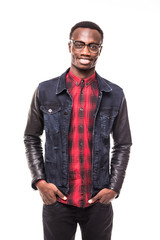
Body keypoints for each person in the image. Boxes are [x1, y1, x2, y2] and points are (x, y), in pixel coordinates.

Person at [24, 21, 132, 240]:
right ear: (70, 46)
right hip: (57, 200)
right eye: (79, 44)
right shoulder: (45, 90)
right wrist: (40, 182)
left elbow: (123, 144)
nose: (85, 51)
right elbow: (31, 137)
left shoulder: (115, 94)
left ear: (100, 50)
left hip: (98, 201)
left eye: (93, 46)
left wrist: (114, 187)